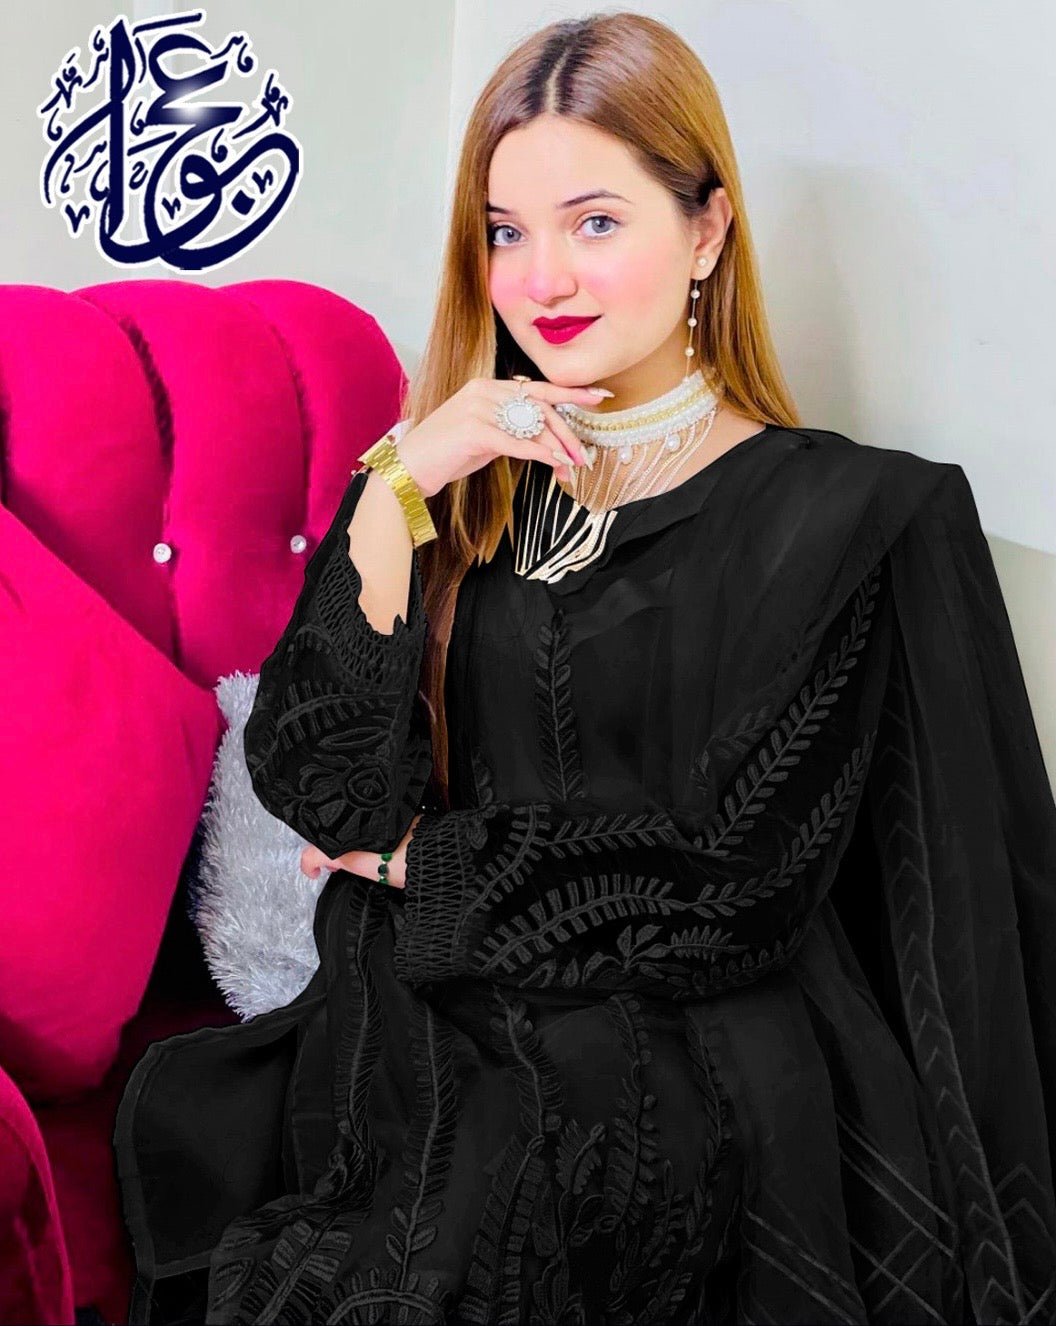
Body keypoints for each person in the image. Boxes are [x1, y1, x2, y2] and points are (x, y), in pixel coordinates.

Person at [112, 11, 1056, 1324]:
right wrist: (397, 482)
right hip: (445, 1035)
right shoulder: (459, 493)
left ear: (708, 231)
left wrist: (425, 864)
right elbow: (324, 786)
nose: (543, 277)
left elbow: (738, 879)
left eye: (595, 222)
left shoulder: (853, 516)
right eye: (506, 232)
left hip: (707, 1053)